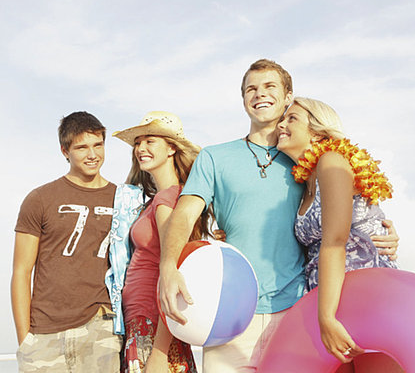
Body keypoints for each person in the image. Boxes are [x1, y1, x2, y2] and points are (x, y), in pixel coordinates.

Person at [157, 59, 400, 372]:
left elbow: (348, 216)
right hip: (230, 310)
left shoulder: (309, 164)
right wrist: (168, 267)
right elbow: (185, 213)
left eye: (270, 86)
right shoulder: (214, 157)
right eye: (251, 89)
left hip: (297, 310)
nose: (260, 94)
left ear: (288, 97)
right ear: (243, 98)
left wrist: (382, 235)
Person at [277, 97, 403, 372]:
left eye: (292, 119)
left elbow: (335, 242)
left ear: (318, 132)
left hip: (366, 298)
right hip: (331, 300)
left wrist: (326, 318)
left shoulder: (331, 161)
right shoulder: (304, 183)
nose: (281, 125)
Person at [11, 112, 124, 373]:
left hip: (101, 326)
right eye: (82, 147)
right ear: (65, 151)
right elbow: (21, 271)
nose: (92, 154)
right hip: (45, 332)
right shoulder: (40, 199)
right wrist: (25, 340)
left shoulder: (122, 198)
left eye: (98, 145)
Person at [113, 111, 209, 373]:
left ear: (171, 149)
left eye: (150, 141)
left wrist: (159, 353)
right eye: (137, 143)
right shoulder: (158, 200)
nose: (141, 148)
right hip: (141, 321)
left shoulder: (169, 199)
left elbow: (175, 269)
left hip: (153, 326)